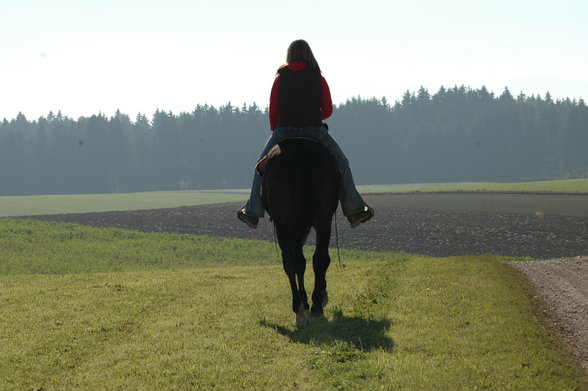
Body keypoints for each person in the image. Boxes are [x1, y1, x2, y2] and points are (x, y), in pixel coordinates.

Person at [237, 39, 373, 229]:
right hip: (314, 130)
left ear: (290, 55)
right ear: (309, 54)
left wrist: (277, 132)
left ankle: (252, 212)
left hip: (284, 130)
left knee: (260, 168)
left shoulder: (280, 77)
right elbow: (328, 110)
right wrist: (314, 115)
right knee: (342, 163)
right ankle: (354, 209)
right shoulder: (318, 77)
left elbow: (273, 111)